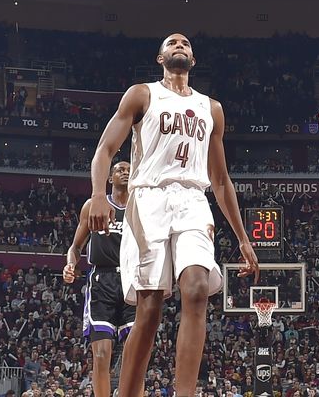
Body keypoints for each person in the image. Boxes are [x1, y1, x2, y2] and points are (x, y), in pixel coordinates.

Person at [83, 34, 258, 397]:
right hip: (149, 198)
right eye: (172, 42)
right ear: (160, 57)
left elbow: (220, 180)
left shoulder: (211, 108)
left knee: (196, 289)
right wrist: (99, 194)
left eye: (186, 43)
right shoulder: (142, 94)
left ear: (193, 59)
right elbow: (105, 149)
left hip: (193, 198)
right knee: (149, 309)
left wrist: (243, 238)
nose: (179, 44)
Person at [63, 162, 135, 397]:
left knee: (136, 356)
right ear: (110, 178)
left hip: (132, 280)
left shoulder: (141, 206)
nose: (125, 172)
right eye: (120, 170)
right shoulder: (93, 206)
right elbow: (75, 247)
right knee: (102, 354)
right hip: (102, 280)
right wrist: (70, 264)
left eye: (129, 169)